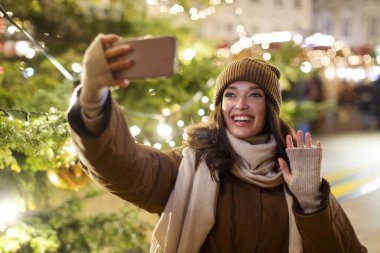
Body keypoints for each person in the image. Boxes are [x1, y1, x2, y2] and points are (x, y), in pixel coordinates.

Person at [67, 34, 367, 253]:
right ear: (220, 107)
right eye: (230, 94)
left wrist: (311, 204)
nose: (241, 105)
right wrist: (93, 97)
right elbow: (119, 166)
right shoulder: (187, 166)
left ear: (271, 108)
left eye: (255, 95)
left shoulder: (298, 174)